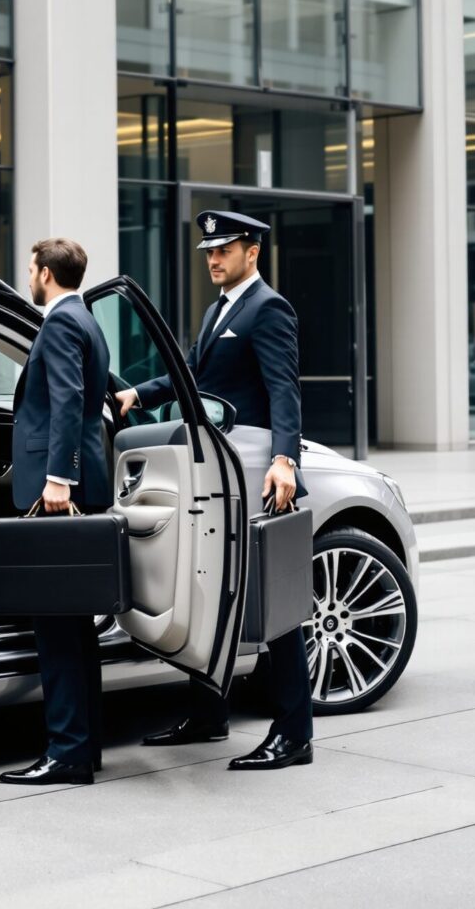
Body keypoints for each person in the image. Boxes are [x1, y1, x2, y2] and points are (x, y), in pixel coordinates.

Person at [111, 210, 313, 772]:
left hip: (254, 467)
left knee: (274, 599)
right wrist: (138, 395)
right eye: (209, 252)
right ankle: (208, 715)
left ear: (253, 252)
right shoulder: (219, 309)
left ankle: (294, 732)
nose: (213, 259)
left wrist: (285, 460)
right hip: (221, 468)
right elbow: (193, 373)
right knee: (210, 587)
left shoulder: (268, 307)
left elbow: (284, 388)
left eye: (224, 250)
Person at [0, 237, 114, 787]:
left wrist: (58, 478)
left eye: (30, 269)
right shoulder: (87, 319)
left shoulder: (63, 322)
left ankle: (67, 752)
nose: (28, 277)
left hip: (59, 490)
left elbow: (67, 399)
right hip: (81, 481)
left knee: (57, 628)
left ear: (46, 273)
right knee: (76, 627)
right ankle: (83, 747)